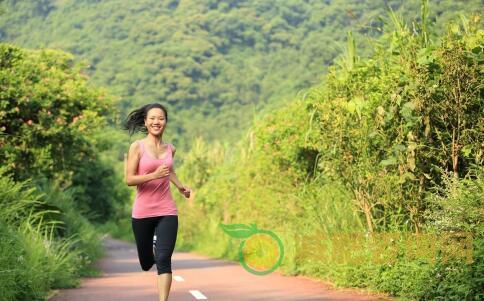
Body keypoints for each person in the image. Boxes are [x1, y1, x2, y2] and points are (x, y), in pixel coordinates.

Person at [123, 103, 190, 301]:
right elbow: (129, 179)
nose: (156, 122)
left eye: (160, 118)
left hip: (167, 210)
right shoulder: (137, 147)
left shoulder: (171, 148)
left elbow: (169, 170)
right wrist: (153, 175)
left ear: (165, 122)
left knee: (163, 259)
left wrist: (180, 186)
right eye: (152, 118)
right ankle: (153, 245)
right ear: (145, 121)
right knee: (146, 263)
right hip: (143, 212)